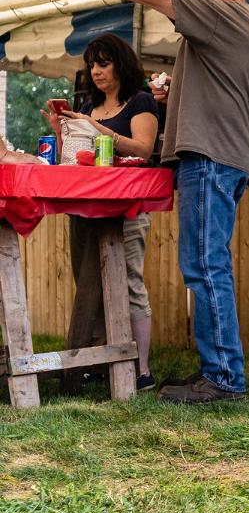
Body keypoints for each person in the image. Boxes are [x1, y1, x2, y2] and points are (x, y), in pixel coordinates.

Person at [12, 0, 249, 404]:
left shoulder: (225, 14)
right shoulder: (236, 25)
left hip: (210, 160)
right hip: (216, 158)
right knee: (205, 265)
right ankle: (217, 370)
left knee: (206, 265)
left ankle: (225, 377)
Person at [42, 34, 159, 391]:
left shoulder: (142, 101)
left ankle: (140, 371)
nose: (95, 71)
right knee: (88, 285)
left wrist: (96, 128)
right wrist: (62, 134)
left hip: (126, 207)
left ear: (121, 64)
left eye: (103, 63)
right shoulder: (90, 105)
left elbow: (144, 148)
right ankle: (100, 360)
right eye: (91, 64)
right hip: (85, 207)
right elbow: (78, 159)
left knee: (129, 284)